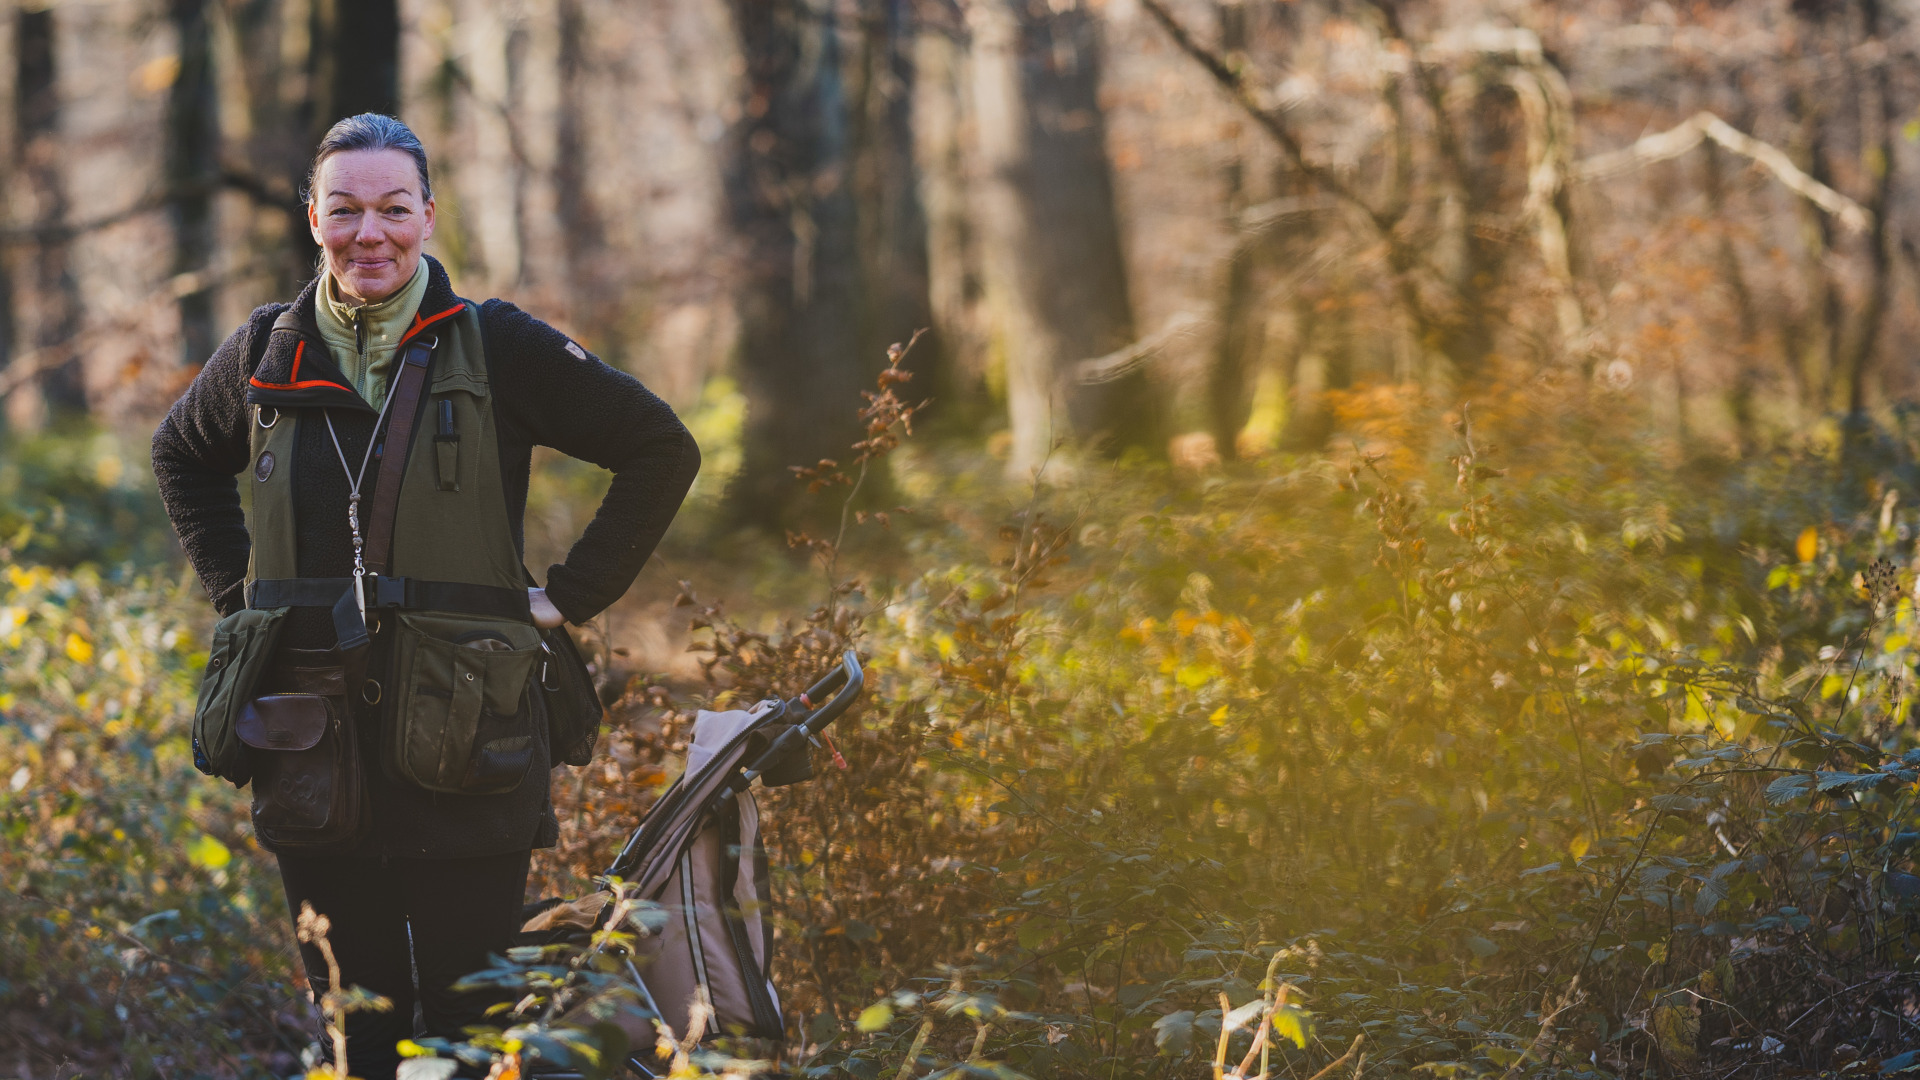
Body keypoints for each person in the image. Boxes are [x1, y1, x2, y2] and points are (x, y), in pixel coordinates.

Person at [152, 113, 700, 1076]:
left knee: (469, 1014)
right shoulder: (263, 351)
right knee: (354, 1018)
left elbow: (661, 448)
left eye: (394, 209)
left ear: (429, 214)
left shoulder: (500, 346)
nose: (371, 233)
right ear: (311, 217)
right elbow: (180, 455)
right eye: (346, 209)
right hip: (311, 736)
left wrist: (570, 596)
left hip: (470, 728)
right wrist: (238, 597)